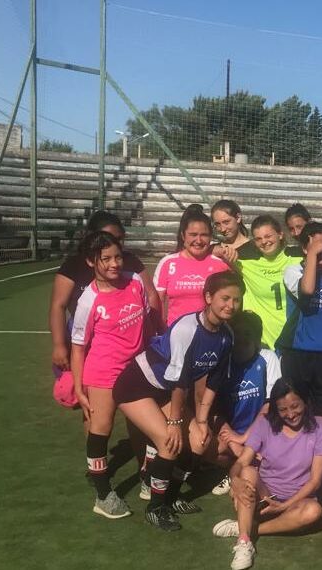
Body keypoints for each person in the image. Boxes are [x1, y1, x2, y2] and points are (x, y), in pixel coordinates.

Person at [112, 270, 241, 531]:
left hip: (165, 389)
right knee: (169, 442)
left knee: (198, 441)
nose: (231, 305)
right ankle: (155, 508)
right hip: (136, 385)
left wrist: (202, 421)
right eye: (225, 298)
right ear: (208, 297)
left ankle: (171, 497)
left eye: (237, 300)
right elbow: (180, 382)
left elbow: (214, 380)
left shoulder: (227, 335)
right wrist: (174, 422)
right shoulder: (186, 329)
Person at [69, 231, 150, 519]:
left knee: (147, 426)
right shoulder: (88, 300)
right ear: (92, 261)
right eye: (106, 259)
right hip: (103, 373)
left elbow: (147, 323)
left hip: (136, 370)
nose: (115, 263)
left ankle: (147, 477)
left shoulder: (136, 282)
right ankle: (103, 493)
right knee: (100, 430)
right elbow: (78, 348)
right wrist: (79, 388)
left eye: (118, 256)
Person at [212, 379, 322, 570]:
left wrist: (285, 505)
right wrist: (234, 480)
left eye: (295, 406)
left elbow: (315, 482)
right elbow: (242, 462)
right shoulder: (265, 425)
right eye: (283, 409)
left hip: (297, 500)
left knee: (314, 511)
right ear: (275, 409)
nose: (291, 414)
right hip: (264, 495)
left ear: (305, 402)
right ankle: (244, 543)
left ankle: (246, 528)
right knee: (247, 472)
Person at [49, 211, 158, 400]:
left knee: (137, 395)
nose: (115, 244)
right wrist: (59, 345)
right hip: (85, 345)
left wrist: (155, 332)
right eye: (108, 238)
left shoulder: (128, 261)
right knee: (90, 402)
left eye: (119, 239)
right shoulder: (74, 265)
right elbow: (58, 305)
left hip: (122, 345)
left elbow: (151, 294)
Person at [204, 311, 281, 496]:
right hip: (231, 432)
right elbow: (213, 410)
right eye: (238, 333)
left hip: (262, 431)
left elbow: (270, 404)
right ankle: (238, 467)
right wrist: (235, 443)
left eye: (248, 334)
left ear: (257, 337)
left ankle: (247, 467)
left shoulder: (268, 358)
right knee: (210, 448)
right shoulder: (223, 362)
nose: (242, 338)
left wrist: (246, 437)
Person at [276, 222, 322, 429]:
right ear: (305, 248)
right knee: (295, 413)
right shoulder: (293, 271)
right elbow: (307, 289)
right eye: (317, 245)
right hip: (299, 354)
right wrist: (312, 257)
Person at [154, 204, 228, 326]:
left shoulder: (220, 264)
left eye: (204, 235)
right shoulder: (168, 263)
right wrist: (162, 333)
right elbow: (158, 301)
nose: (198, 241)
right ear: (183, 236)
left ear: (210, 237)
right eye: (193, 235)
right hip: (175, 336)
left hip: (211, 335)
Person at [236, 215, 300, 349]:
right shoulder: (245, 264)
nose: (264, 242)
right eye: (258, 239)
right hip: (263, 342)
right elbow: (214, 252)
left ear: (280, 234)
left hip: (294, 336)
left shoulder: (298, 260)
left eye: (268, 236)